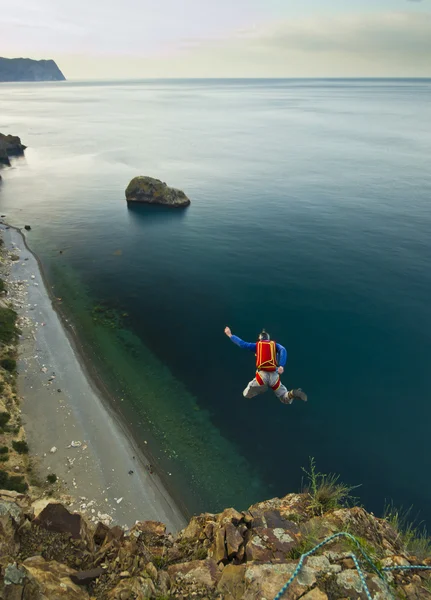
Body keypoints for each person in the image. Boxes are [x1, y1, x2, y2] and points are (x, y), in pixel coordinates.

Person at [224, 326, 307, 404]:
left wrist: (230, 335)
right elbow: (283, 350)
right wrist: (281, 365)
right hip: (274, 376)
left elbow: (242, 344)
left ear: (260, 339)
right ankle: (292, 393)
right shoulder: (275, 345)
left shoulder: (257, 345)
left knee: (246, 394)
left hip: (262, 376)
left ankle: (260, 387)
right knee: (284, 397)